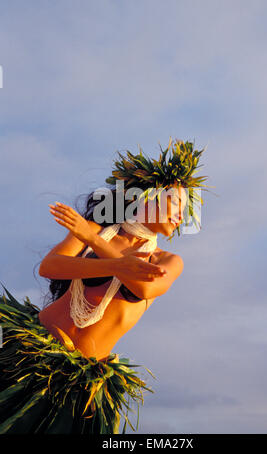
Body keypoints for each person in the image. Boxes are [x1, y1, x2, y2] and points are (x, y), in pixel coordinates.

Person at [0, 138, 209, 434]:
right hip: (28, 348)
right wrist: (110, 260)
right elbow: (50, 266)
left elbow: (144, 287)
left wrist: (95, 243)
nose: (181, 214)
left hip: (76, 383)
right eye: (175, 201)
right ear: (144, 196)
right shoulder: (97, 231)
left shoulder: (166, 259)